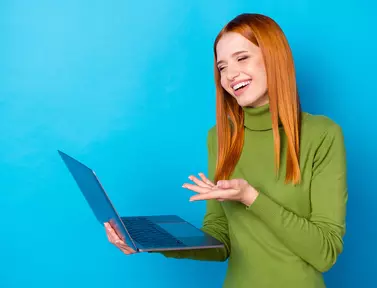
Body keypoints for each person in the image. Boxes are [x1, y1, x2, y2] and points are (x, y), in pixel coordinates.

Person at [104, 13, 348, 288]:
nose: (230, 75)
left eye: (241, 58)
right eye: (222, 67)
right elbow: (220, 239)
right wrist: (149, 241)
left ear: (274, 56)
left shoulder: (322, 135)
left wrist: (251, 197)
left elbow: (325, 253)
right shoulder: (220, 138)